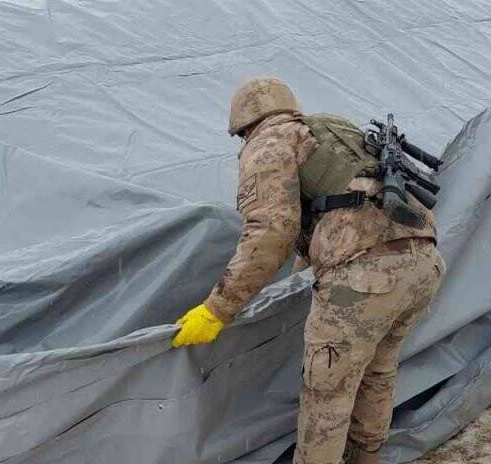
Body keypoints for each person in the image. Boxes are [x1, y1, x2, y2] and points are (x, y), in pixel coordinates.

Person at [171, 79, 444, 464]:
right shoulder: (333, 130)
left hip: (364, 278)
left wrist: (217, 309)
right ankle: (366, 458)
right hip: (424, 262)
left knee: (328, 392)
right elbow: (332, 211)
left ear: (245, 127)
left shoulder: (267, 146)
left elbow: (270, 233)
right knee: (377, 372)